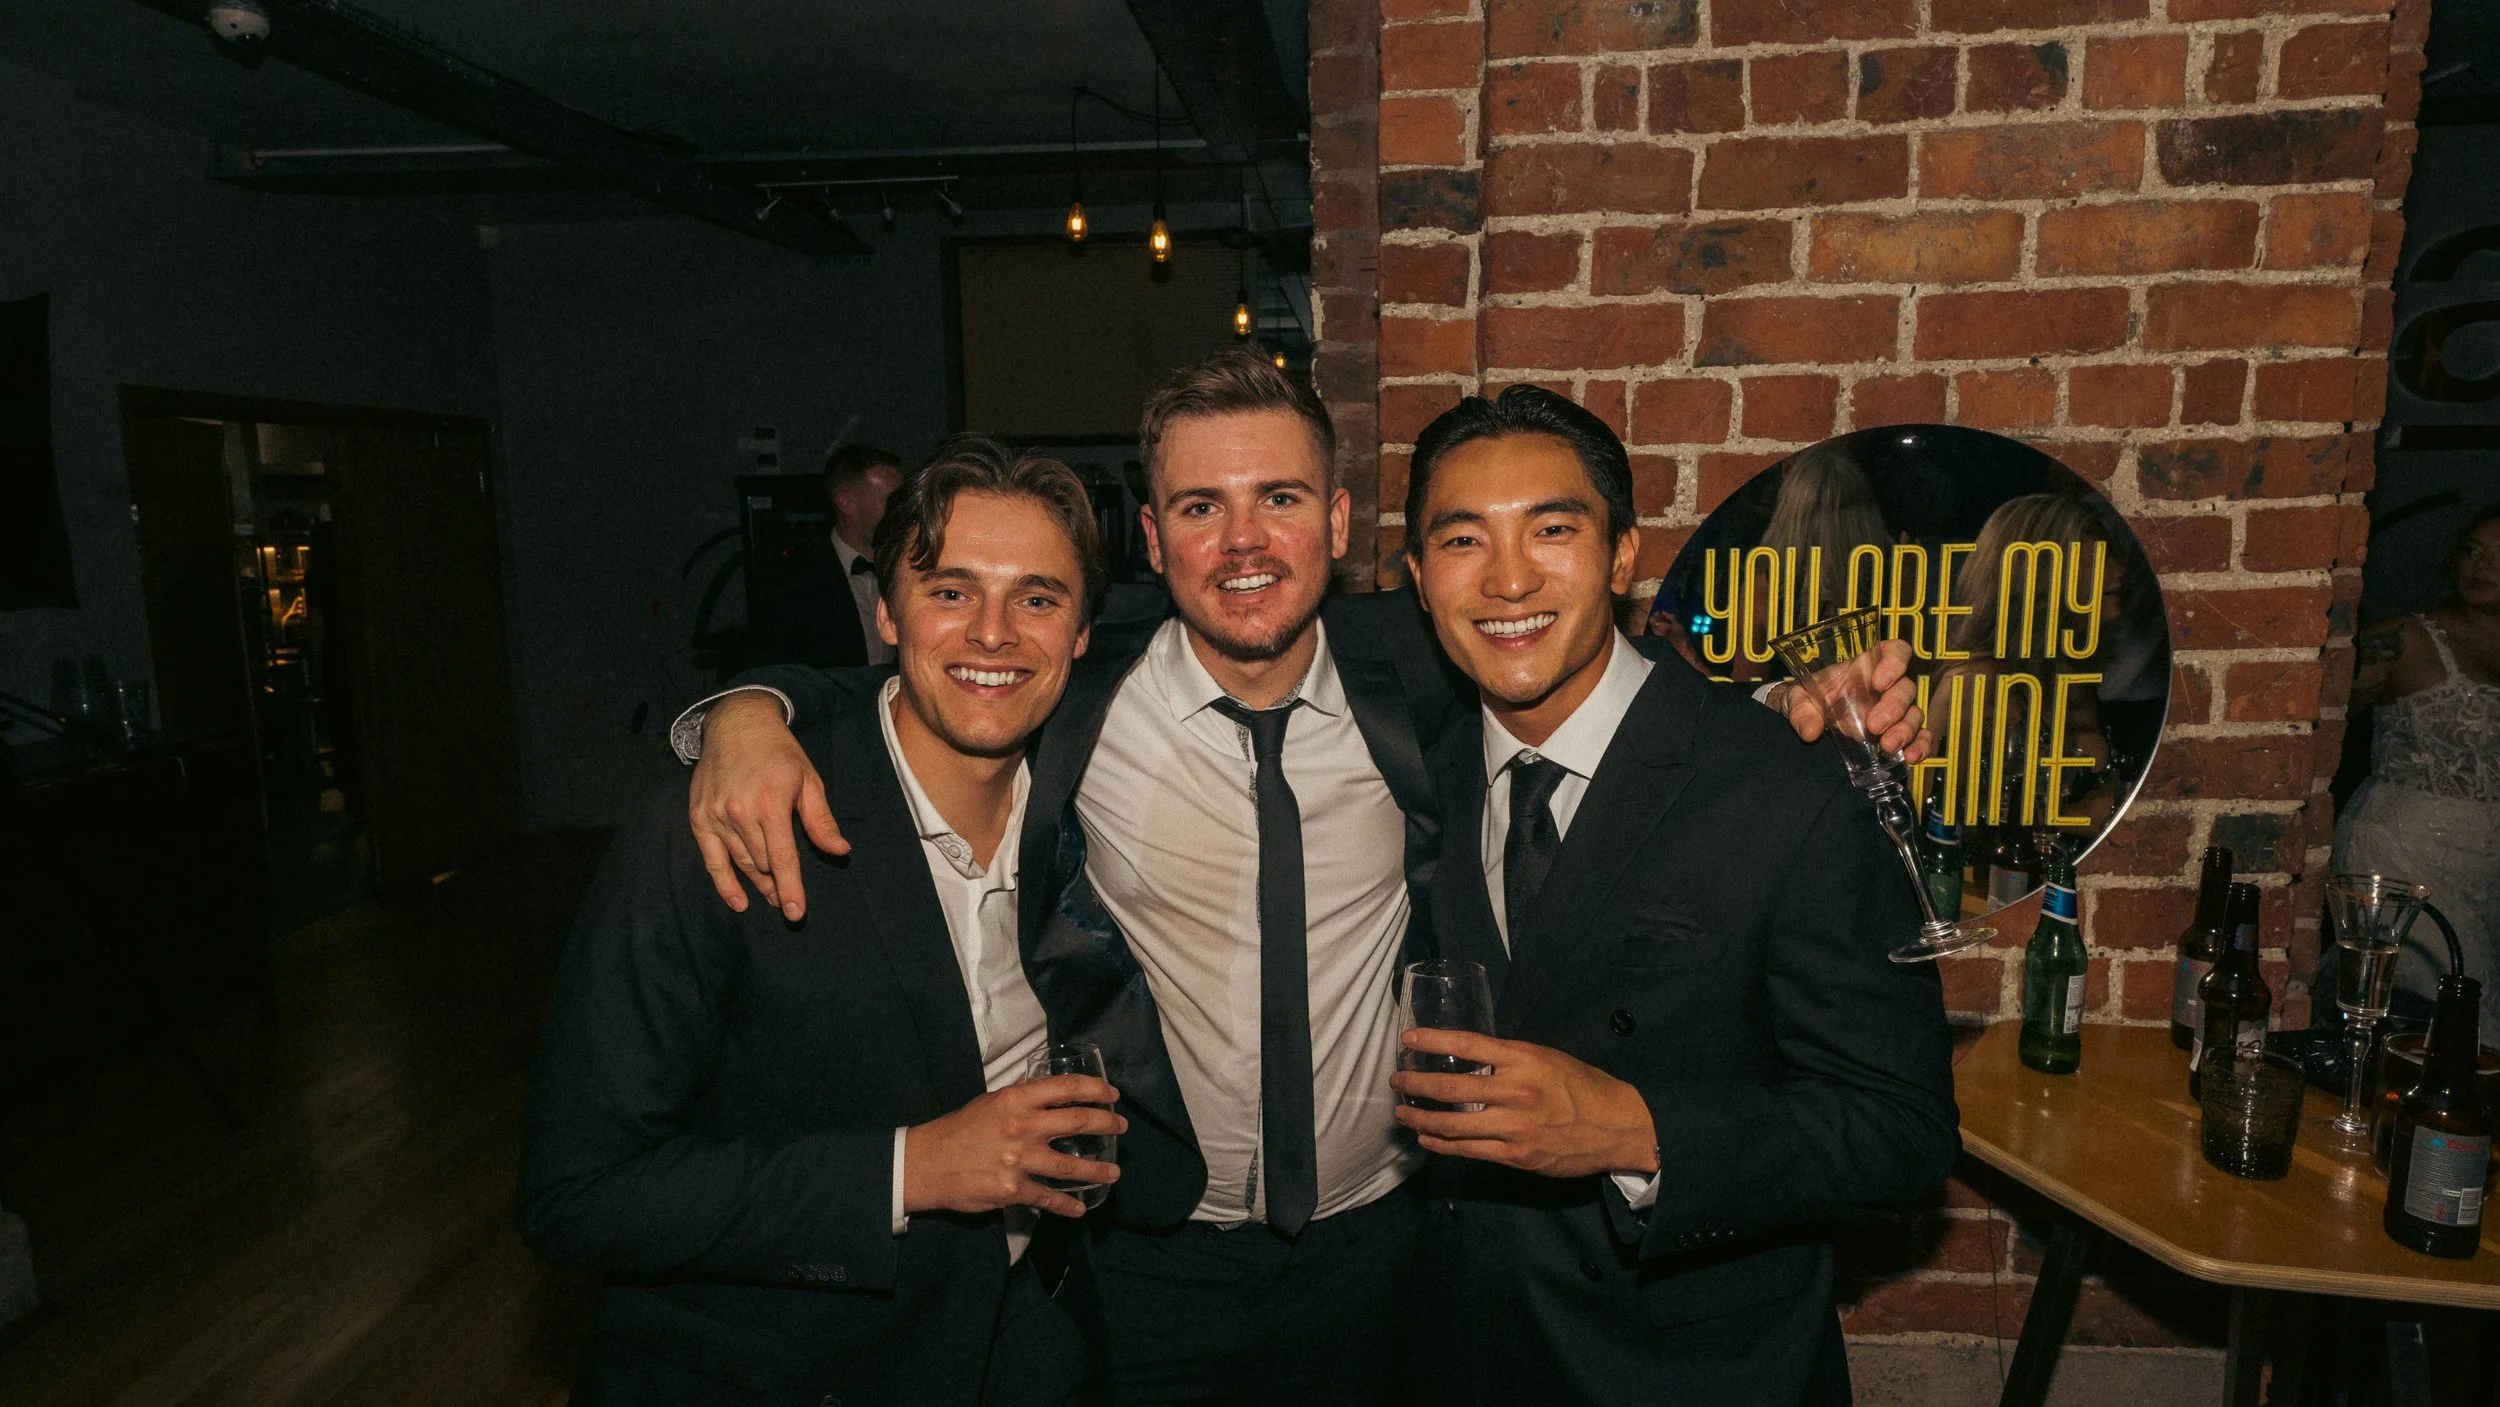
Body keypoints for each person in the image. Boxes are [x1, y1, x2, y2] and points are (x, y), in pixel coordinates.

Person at [668, 350, 1931, 1403]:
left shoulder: (1414, 674)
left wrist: (1791, 712)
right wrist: (743, 709)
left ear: (1337, 528)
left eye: (1279, 500)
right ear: (1151, 541)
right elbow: (919, 673)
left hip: (1395, 1255)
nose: (1243, 544)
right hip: (1156, 1252)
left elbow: (1617, 703)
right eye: (1202, 509)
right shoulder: (1070, 696)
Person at [517, 438, 1121, 1405]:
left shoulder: (1091, 799)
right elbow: (577, 1193)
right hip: (782, 1369)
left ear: (1084, 631)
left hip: (1020, 1340)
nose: (995, 633)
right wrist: (906, 1169)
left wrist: (757, 696)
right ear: (886, 610)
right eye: (952, 590)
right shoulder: (721, 828)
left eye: (1039, 598)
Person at [1390, 386, 1959, 1406]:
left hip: (1687, 1371)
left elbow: (1900, 1133)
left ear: (1619, 556)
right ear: (1420, 581)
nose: (1508, 576)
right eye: (1463, 540)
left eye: (1551, 529)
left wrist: (1633, 1131)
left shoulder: (1788, 783)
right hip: (1461, 1350)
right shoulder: (1414, 772)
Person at [2335, 503, 2500, 1027]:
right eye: (2473, 552)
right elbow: (2305, 705)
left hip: (2487, 866)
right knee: (2445, 1009)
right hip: (2402, 850)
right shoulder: (2407, 640)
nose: (2483, 566)